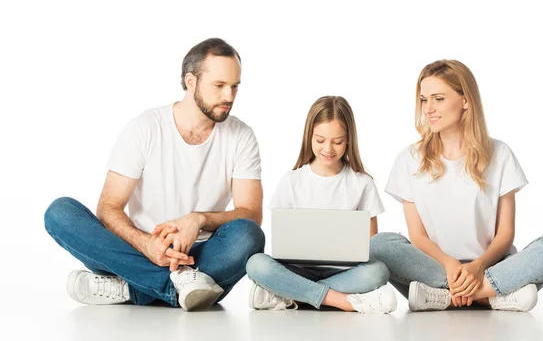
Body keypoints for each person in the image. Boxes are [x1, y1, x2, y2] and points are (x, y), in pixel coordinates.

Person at [44, 38, 265, 311]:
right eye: (219, 86)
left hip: (198, 257)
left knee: (249, 235)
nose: (229, 96)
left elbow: (251, 213)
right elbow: (109, 207)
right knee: (60, 213)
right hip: (135, 250)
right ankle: (175, 286)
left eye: (234, 86)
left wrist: (198, 219)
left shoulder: (241, 136)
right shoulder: (145, 127)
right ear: (191, 81)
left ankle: (130, 288)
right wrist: (147, 244)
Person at [370, 60, 543, 312]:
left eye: (438, 99)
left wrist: (478, 267)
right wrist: (449, 265)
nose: (428, 109)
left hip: (492, 265)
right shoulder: (408, 159)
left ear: (465, 100)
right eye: (424, 100)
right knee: (378, 245)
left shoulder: (500, 154)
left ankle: (447, 296)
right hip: (435, 266)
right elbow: (418, 237)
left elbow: (504, 235)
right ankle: (492, 296)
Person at [246, 96, 397, 314]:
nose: (328, 149)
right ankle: (339, 300)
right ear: (309, 137)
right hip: (297, 271)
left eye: (337, 142)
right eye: (320, 140)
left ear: (349, 140)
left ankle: (292, 295)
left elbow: (371, 243)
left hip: (346, 273)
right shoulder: (292, 181)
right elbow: (280, 239)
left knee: (378, 271)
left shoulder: (361, 182)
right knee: (256, 263)